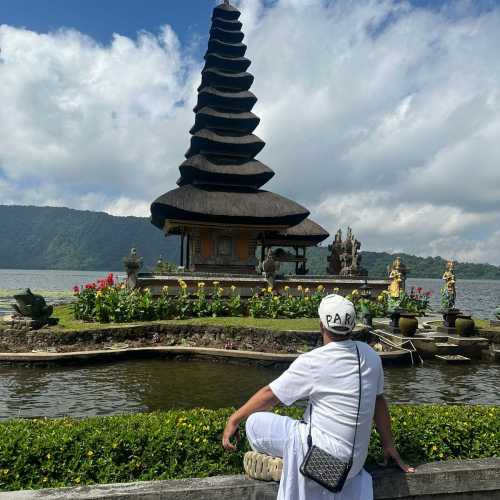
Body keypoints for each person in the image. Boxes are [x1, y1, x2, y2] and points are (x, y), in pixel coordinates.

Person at [222, 294, 414, 499]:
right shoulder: (370, 356)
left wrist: (234, 419)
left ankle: (288, 462)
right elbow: (378, 401)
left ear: (321, 325)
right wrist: (388, 444)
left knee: (254, 423)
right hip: (354, 465)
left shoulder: (313, 361)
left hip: (321, 462)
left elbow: (270, 395)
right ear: (351, 326)